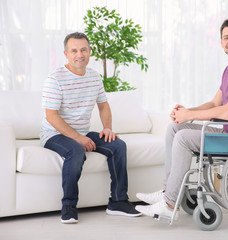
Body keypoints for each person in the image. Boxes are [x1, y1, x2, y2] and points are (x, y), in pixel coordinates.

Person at [135, 18, 228, 218]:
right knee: (175, 128)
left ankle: (170, 206)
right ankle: (167, 192)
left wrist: (190, 116)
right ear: (221, 42)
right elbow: (216, 104)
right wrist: (186, 112)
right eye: (226, 37)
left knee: (183, 138)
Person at [40, 32, 141, 224]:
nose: (80, 54)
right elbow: (51, 116)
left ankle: (118, 202)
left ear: (90, 51)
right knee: (77, 150)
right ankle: (69, 205)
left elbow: (103, 105)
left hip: (83, 132)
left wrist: (108, 128)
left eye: (83, 49)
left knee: (118, 145)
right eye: (74, 50)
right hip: (54, 134)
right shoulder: (55, 79)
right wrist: (78, 138)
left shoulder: (94, 77)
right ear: (66, 54)